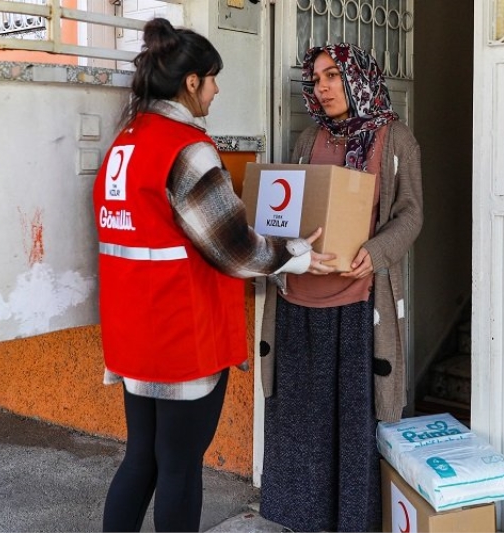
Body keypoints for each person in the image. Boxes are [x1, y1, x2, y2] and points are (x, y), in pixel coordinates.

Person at [92, 18, 334, 533]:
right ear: (191, 82)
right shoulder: (187, 148)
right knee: (180, 466)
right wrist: (297, 254)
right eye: (213, 78)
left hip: (135, 331)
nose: (218, 89)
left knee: (142, 458)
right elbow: (235, 250)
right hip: (182, 334)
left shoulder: (126, 142)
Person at [258, 43, 424, 532]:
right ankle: (300, 521)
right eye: (316, 79)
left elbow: (411, 214)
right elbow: (288, 211)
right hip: (298, 304)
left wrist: (374, 253)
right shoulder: (310, 139)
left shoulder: (395, 140)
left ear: (358, 77)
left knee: (351, 429)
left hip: (356, 309)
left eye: (333, 76)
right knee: (300, 426)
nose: (323, 87)